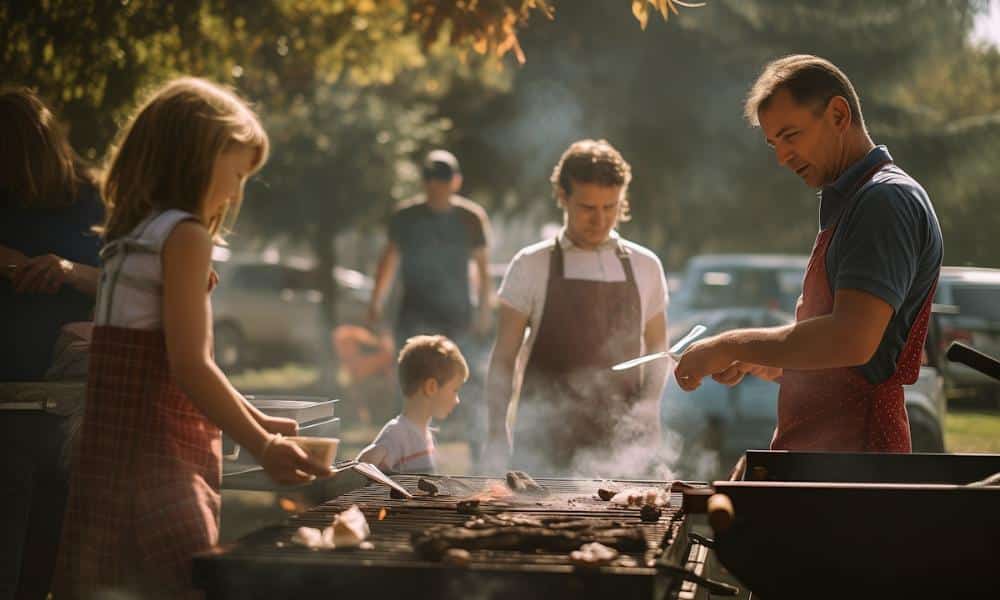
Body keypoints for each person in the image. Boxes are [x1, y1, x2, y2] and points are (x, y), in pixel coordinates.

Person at [53, 77, 331, 600]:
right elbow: (189, 365)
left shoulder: (130, 236)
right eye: (237, 173)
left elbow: (165, 354)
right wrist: (264, 446)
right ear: (197, 157)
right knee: (182, 584)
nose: (237, 193)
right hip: (159, 457)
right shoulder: (185, 236)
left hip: (110, 455)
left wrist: (255, 418)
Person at [675, 55, 943, 455]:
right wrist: (770, 361)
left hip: (855, 460)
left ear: (838, 115)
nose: (782, 157)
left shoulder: (883, 200)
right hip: (819, 454)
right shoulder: (854, 201)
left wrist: (730, 345)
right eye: (774, 143)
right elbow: (844, 361)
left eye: (791, 135)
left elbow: (851, 339)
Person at [485, 139, 670, 477]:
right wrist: (497, 430)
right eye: (587, 207)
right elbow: (504, 358)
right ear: (562, 196)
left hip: (621, 442)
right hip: (542, 441)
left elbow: (658, 347)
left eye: (610, 207)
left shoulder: (646, 266)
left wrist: (649, 405)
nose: (600, 219)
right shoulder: (530, 264)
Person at [0, 87, 104, 600]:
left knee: (47, 550)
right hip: (7, 400)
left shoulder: (92, 197)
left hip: (70, 401)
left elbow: (126, 282)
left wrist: (67, 271)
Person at [367, 149, 492, 459]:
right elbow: (388, 260)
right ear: (424, 182)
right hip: (414, 314)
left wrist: (484, 311)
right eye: (431, 179)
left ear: (456, 181)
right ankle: (405, 455)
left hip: (457, 316)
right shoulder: (405, 217)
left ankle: (479, 455)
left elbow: (482, 268)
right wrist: (375, 302)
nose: (437, 185)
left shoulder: (470, 218)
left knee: (469, 387)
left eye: (443, 179)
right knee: (412, 387)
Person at [357, 335, 468, 474]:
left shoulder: (424, 433)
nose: (457, 400)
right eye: (455, 390)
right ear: (431, 387)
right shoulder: (397, 434)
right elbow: (362, 465)